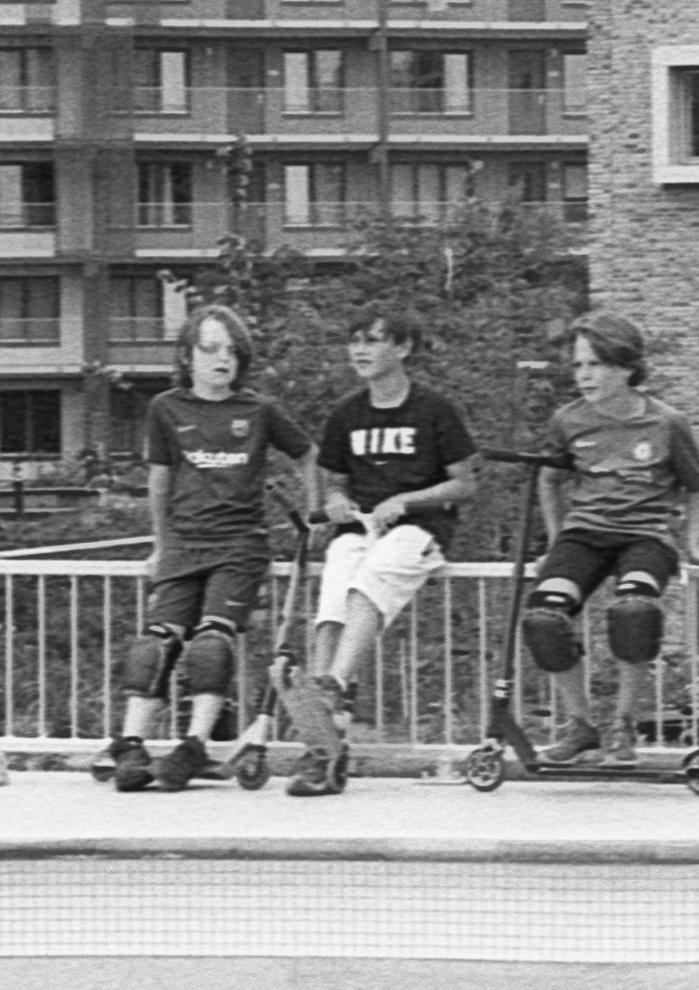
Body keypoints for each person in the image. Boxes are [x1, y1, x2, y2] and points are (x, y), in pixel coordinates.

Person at [108, 303, 311, 791]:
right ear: (187, 355)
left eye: (232, 351)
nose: (223, 359)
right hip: (182, 543)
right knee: (154, 643)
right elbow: (158, 482)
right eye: (211, 349)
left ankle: (194, 746)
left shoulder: (258, 411)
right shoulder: (166, 409)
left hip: (239, 544)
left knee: (211, 642)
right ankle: (130, 745)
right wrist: (160, 544)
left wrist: (316, 515)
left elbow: (308, 454)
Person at [289, 305, 479, 797]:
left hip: (420, 530)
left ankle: (331, 684)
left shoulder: (434, 409)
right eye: (355, 340)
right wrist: (334, 505)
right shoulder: (347, 414)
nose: (361, 350)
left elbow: (464, 483)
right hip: (361, 527)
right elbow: (335, 486)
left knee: (380, 566)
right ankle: (324, 740)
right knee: (337, 579)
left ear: (402, 348)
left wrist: (407, 499)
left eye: (373, 340)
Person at [520, 312, 699, 763]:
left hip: (646, 534)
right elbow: (550, 480)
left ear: (626, 367)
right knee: (543, 619)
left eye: (596, 365)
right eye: (579, 365)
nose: (584, 375)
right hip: (585, 534)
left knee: (633, 611)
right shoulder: (568, 421)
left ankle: (624, 724)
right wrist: (556, 538)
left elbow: (697, 485)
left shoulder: (667, 423)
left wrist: (693, 542)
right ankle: (581, 725)